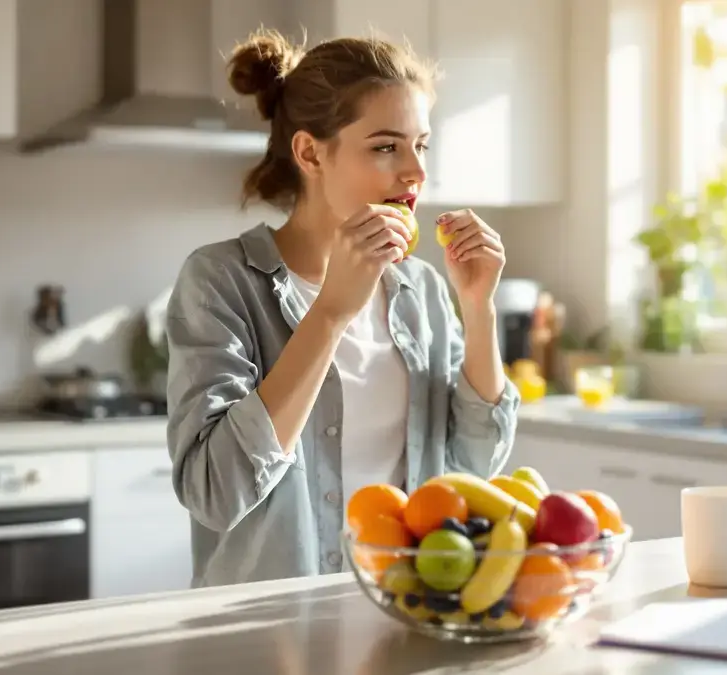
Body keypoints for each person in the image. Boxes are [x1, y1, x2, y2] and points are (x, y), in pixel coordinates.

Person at [164, 28, 520, 587]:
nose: (416, 173)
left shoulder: (421, 288)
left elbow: (475, 466)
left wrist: (478, 309)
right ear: (310, 152)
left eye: (420, 145)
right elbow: (214, 492)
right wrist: (330, 312)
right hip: (267, 637)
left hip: (404, 608)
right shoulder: (220, 280)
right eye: (386, 146)